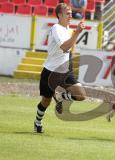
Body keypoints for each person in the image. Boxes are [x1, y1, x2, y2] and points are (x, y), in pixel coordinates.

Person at [34, 3, 86, 133]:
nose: (71, 15)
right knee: (46, 100)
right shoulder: (56, 28)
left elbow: (68, 49)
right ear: (60, 15)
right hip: (50, 72)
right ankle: (37, 122)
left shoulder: (67, 28)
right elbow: (65, 47)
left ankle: (62, 97)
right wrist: (77, 32)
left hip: (64, 71)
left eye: (71, 12)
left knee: (81, 95)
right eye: (67, 13)